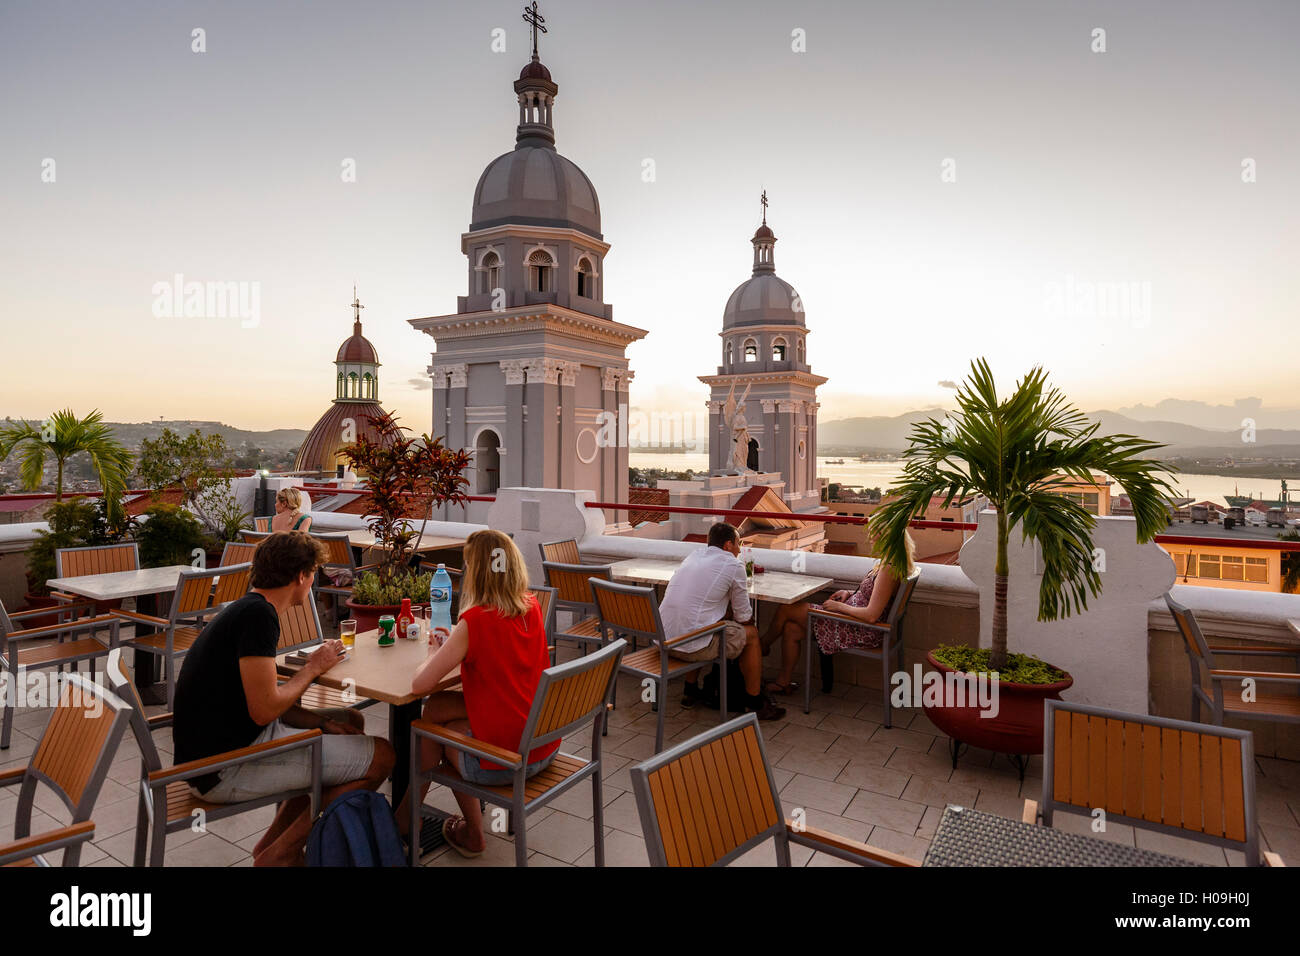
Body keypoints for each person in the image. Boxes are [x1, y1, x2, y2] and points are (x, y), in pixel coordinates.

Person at [172, 531, 394, 866]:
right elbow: (264, 711)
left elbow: (266, 704)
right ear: (301, 576)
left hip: (214, 753)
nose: (313, 581)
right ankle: (280, 855)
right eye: (314, 573)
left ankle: (269, 846)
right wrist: (312, 667)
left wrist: (323, 723)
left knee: (349, 721)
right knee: (384, 757)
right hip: (222, 768)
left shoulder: (248, 608)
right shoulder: (259, 618)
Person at [394, 529, 556, 858]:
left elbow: (417, 686)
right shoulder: (531, 607)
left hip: (506, 763)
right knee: (436, 709)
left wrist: (431, 655)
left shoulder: (475, 621)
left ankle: (451, 828)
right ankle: (407, 816)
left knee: (432, 732)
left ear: (477, 572)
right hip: (542, 746)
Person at [657, 521, 785, 720]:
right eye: (738, 544)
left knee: (697, 621)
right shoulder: (734, 565)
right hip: (689, 648)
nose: (739, 549)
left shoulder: (693, 556)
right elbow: (743, 617)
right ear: (727, 545)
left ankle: (690, 692)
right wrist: (752, 627)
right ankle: (755, 703)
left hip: (663, 641)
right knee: (751, 636)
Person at [760, 531, 915, 694]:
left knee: (787, 608)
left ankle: (763, 645)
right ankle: (782, 683)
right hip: (852, 622)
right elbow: (874, 595)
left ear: (886, 536)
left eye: (873, 533)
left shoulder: (888, 569)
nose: (869, 537)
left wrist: (839, 607)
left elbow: (871, 615)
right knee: (791, 629)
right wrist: (849, 593)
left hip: (859, 628)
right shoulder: (892, 562)